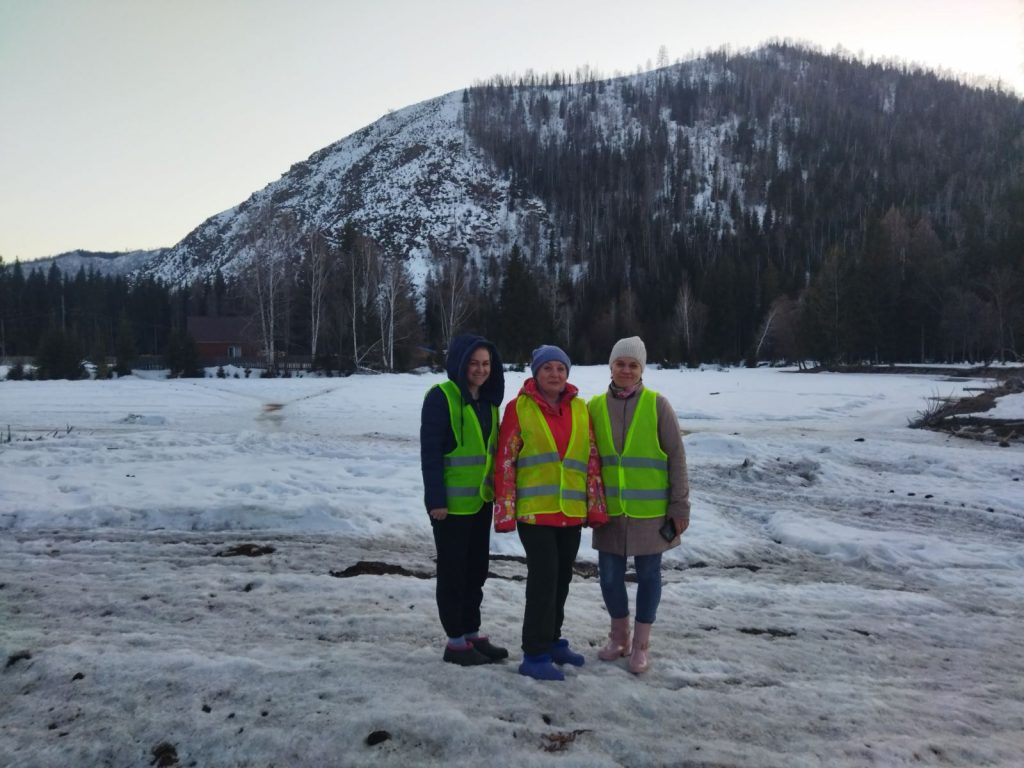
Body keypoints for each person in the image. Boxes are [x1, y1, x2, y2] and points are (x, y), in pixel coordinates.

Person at [494, 345, 607, 681]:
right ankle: (534, 653)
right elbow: (506, 460)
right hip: (535, 512)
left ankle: (553, 640)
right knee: (543, 579)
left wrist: (595, 508)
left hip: (570, 511)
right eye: (547, 368)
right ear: (536, 373)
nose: (554, 374)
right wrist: (505, 511)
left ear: (567, 373)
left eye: (560, 368)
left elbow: (591, 460)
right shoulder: (519, 408)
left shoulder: (581, 408)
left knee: (561, 579)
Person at [589, 337, 690, 674]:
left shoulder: (657, 405)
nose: (626, 370)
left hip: (651, 513)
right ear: (611, 367)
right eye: (620, 364)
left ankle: (641, 645)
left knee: (648, 576)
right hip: (610, 512)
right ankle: (620, 638)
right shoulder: (594, 407)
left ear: (642, 369)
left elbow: (677, 457)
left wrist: (680, 506)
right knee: (609, 578)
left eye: (633, 365)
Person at [420, 334, 508, 666]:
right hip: (450, 508)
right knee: (453, 572)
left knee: (476, 571)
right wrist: (435, 500)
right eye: (473, 363)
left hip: (480, 502)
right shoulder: (441, 397)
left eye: (486, 364)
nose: (480, 370)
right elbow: (430, 453)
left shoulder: (489, 402)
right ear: (460, 363)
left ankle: (471, 631)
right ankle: (455, 641)